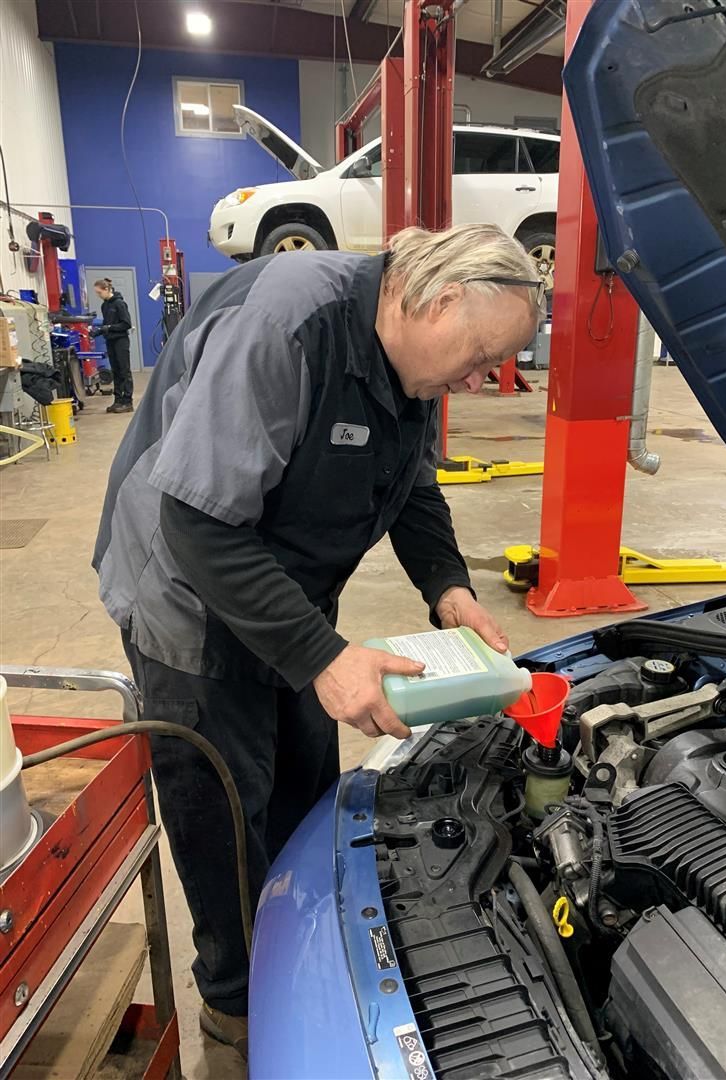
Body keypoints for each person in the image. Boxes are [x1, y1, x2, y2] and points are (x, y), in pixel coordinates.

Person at [93, 223, 541, 1058]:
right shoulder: (286, 327)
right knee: (226, 806)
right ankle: (235, 1003)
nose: (486, 377)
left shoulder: (413, 358)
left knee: (305, 786)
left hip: (285, 596)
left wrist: (448, 586)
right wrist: (323, 658)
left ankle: (309, 964)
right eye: (484, 356)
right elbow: (195, 520)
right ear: (439, 302)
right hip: (188, 598)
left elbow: (411, 481)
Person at [92, 278, 133, 413]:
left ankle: (127, 401)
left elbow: (126, 324)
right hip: (110, 341)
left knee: (124, 371)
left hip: (121, 341)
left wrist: (109, 328)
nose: (99, 296)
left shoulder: (120, 304)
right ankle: (118, 400)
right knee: (115, 372)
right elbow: (106, 323)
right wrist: (98, 331)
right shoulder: (105, 306)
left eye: (99, 292)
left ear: (107, 289)